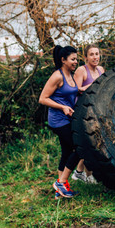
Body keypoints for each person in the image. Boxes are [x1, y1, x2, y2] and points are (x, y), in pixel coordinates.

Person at [39, 45, 80, 198]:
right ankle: (61, 182)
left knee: (66, 151)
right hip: (58, 120)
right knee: (79, 147)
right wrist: (62, 107)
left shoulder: (71, 74)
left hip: (67, 118)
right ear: (63, 60)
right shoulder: (57, 76)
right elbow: (42, 98)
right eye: (73, 59)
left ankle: (60, 191)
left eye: (76, 59)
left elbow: (71, 93)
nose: (76, 62)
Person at [72, 44, 105, 184]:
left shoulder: (101, 70)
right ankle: (86, 174)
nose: (95, 57)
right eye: (91, 54)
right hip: (83, 112)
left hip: (97, 110)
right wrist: (92, 85)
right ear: (85, 57)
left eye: (97, 54)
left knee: (95, 143)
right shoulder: (81, 70)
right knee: (88, 143)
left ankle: (81, 173)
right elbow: (76, 89)